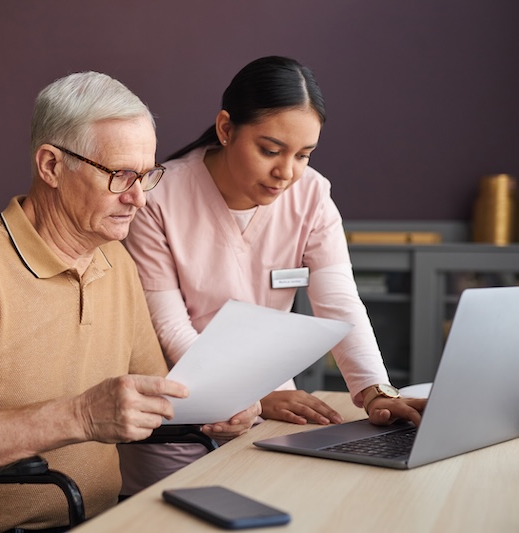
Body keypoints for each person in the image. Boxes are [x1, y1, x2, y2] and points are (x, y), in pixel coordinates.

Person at [0, 71, 260, 533]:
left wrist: (220, 406)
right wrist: (78, 416)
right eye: (121, 176)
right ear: (52, 166)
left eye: (146, 175)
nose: (139, 198)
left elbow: (158, 397)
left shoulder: (116, 262)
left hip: (102, 520)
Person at [119, 56, 427, 494]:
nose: (287, 173)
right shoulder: (159, 196)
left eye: (303, 155)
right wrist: (253, 396)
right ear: (226, 129)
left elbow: (339, 303)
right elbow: (170, 326)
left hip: (277, 420)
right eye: (270, 150)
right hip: (181, 420)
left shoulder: (312, 195)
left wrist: (376, 390)